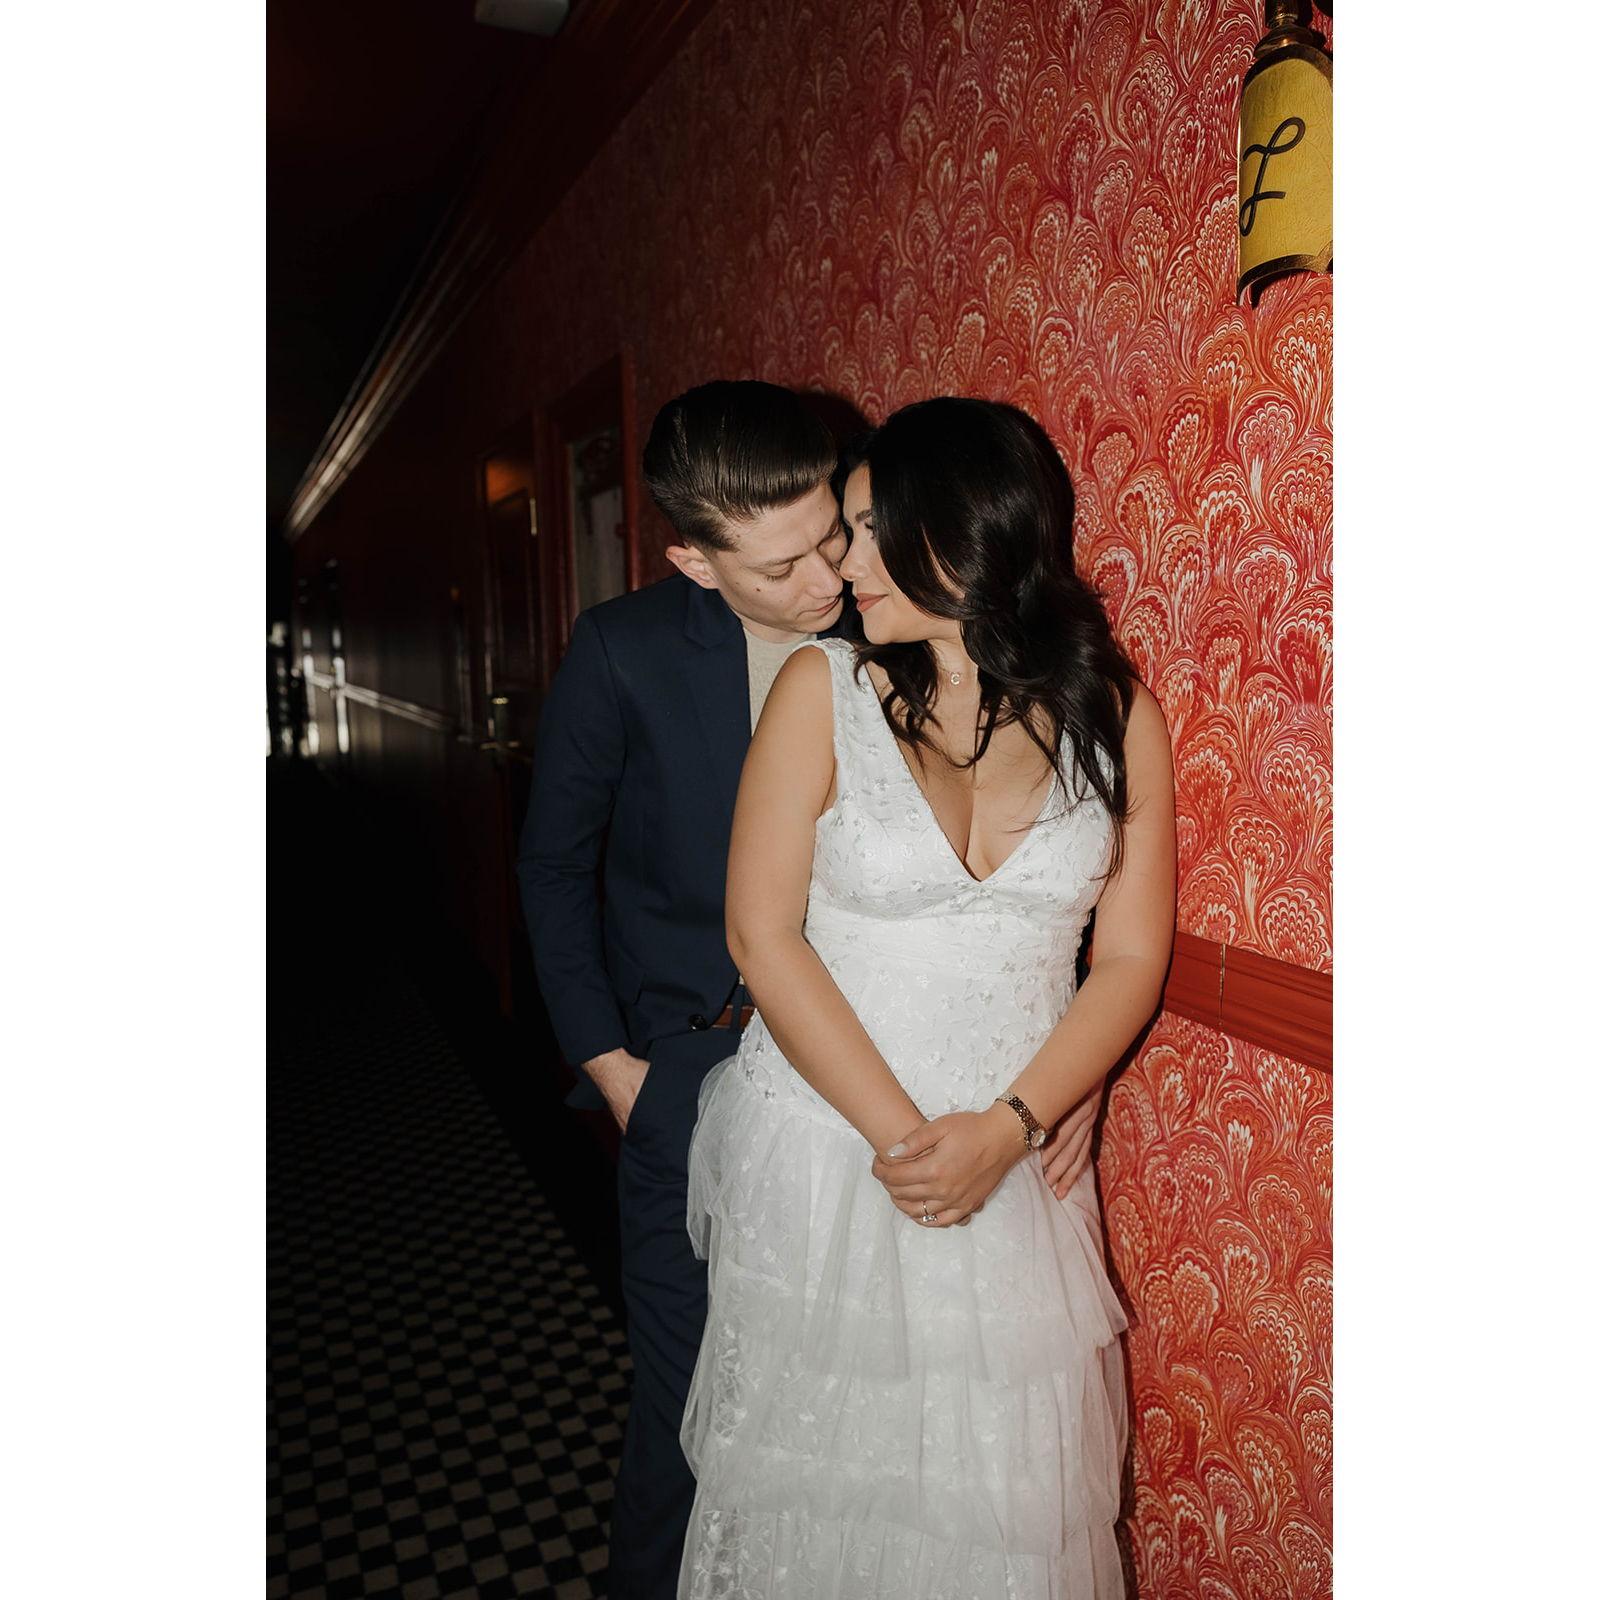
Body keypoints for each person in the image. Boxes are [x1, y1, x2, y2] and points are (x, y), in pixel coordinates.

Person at [518, 380, 1104, 1600]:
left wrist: (1058, 1077)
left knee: (911, 1442)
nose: (830, 575)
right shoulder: (625, 652)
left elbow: (1015, 880)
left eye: (835, 532)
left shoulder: (897, 624)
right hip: (694, 1066)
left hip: (899, 1083)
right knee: (693, 1426)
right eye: (785, 563)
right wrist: (615, 1069)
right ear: (695, 560)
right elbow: (553, 867)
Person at [679, 397, 1177, 1599]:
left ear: (956, 532)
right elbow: (760, 934)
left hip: (1018, 1161)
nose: (841, 563)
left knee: (997, 1505)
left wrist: (1011, 1127)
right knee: (823, 1496)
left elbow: (1127, 959)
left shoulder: (1116, 713)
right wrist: (910, 1147)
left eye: (864, 528)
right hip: (829, 1154)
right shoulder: (820, 688)